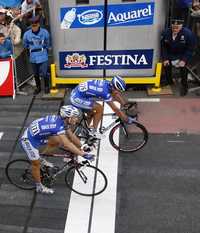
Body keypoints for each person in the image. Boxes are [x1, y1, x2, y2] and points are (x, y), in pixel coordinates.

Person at [20, 105, 95, 194]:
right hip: (29, 140)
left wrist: (82, 146)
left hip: (37, 134)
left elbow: (71, 136)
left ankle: (41, 158)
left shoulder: (63, 121)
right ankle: (39, 186)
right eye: (74, 117)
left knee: (57, 141)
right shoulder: (57, 126)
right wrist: (83, 154)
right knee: (35, 164)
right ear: (67, 118)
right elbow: (67, 144)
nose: (76, 119)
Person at [70, 76, 135, 138]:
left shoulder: (108, 84)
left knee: (91, 112)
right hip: (77, 98)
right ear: (113, 87)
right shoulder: (104, 92)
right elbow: (115, 108)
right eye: (117, 90)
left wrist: (124, 104)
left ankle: (85, 130)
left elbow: (116, 95)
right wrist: (125, 118)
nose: (118, 92)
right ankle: (93, 132)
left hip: (80, 94)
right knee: (100, 108)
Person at [161, 19, 196, 96]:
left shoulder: (188, 34)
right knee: (166, 64)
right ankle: (169, 81)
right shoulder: (166, 32)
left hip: (183, 54)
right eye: (173, 27)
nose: (175, 29)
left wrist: (183, 60)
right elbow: (164, 47)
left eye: (177, 28)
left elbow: (191, 49)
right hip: (171, 54)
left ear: (181, 26)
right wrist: (165, 58)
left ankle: (184, 85)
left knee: (183, 68)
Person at [23, 15, 50, 94]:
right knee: (35, 73)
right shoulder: (26, 34)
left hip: (42, 54)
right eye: (32, 25)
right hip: (33, 55)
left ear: (38, 24)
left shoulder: (45, 32)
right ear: (31, 25)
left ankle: (46, 86)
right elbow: (25, 44)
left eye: (35, 25)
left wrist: (45, 49)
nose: (34, 27)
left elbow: (48, 43)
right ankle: (38, 87)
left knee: (45, 72)